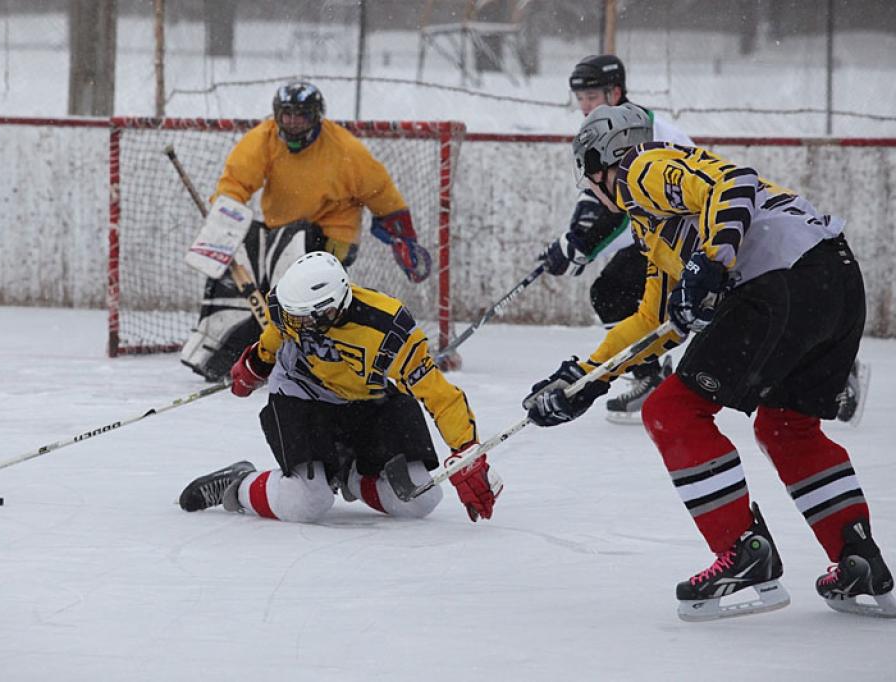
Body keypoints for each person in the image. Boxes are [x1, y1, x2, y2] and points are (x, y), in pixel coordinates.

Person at [525, 103, 894, 621]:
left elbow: (735, 182)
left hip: (778, 279)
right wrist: (583, 379)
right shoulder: (654, 231)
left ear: (604, 159)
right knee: (789, 428)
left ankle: (745, 553)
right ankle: (858, 557)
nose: (593, 188)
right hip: (834, 280)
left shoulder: (642, 169)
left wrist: (715, 257)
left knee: (670, 413)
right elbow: (650, 323)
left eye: (590, 174)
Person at [178, 251, 503, 524]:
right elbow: (278, 332)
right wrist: (256, 364)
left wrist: (467, 454)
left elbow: (441, 397)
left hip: (369, 399)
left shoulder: (390, 331)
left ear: (331, 310)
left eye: (301, 318)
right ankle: (237, 484)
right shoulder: (289, 307)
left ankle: (352, 475)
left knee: (420, 499)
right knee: (307, 502)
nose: (290, 322)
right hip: (301, 394)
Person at [181, 81, 432, 383]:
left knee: (295, 271)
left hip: (331, 236)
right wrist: (226, 223)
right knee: (246, 252)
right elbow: (234, 184)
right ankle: (220, 350)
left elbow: (384, 197)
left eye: (301, 115)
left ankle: (304, 358)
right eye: (286, 115)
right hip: (280, 234)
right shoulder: (264, 139)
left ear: (317, 116)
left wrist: (404, 239)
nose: (293, 122)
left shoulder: (346, 151)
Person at [538, 55, 693, 424]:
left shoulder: (639, 133)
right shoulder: (608, 130)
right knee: (615, 294)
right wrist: (575, 238)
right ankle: (650, 376)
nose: (584, 105)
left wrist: (581, 248)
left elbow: (624, 208)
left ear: (616, 91)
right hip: (664, 232)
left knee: (720, 310)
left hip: (687, 232)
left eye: (592, 96)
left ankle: (814, 360)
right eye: (580, 98)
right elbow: (600, 192)